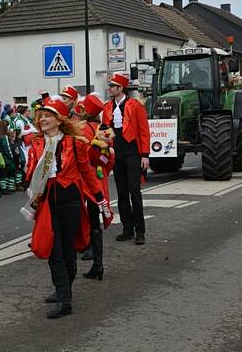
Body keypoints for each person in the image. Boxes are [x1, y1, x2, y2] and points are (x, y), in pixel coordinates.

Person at [25, 97, 106, 319]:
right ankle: (64, 297)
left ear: (59, 120)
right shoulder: (37, 144)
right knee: (53, 250)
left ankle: (64, 290)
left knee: (69, 251)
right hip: (47, 201)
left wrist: (100, 199)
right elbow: (31, 173)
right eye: (42, 115)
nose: (43, 119)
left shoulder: (75, 143)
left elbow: (87, 172)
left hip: (69, 199)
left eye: (49, 115)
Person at [102, 73, 150, 245]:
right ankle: (127, 228)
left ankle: (140, 230)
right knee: (122, 193)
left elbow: (144, 130)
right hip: (117, 154)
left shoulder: (135, 105)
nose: (110, 88)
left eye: (113, 86)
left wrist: (145, 155)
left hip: (133, 153)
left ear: (121, 88)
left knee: (134, 191)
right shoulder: (107, 107)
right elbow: (105, 131)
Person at [74, 93, 115, 280]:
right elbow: (109, 159)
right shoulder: (104, 129)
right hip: (99, 178)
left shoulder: (81, 130)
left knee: (85, 217)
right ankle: (98, 264)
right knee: (95, 219)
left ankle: (90, 257)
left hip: (85, 179)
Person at [14, 105, 37, 189]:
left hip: (26, 144)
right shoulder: (19, 120)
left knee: (28, 161)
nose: (29, 112)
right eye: (28, 111)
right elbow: (21, 133)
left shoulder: (26, 119)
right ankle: (22, 182)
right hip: (20, 143)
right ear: (24, 112)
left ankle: (26, 181)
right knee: (24, 162)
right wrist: (31, 130)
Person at [0, 120, 16, 195]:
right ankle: (8, 188)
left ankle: (2, 188)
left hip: (0, 158)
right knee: (12, 170)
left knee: (2, 174)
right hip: (6, 159)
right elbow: (7, 148)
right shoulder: (4, 137)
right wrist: (11, 157)